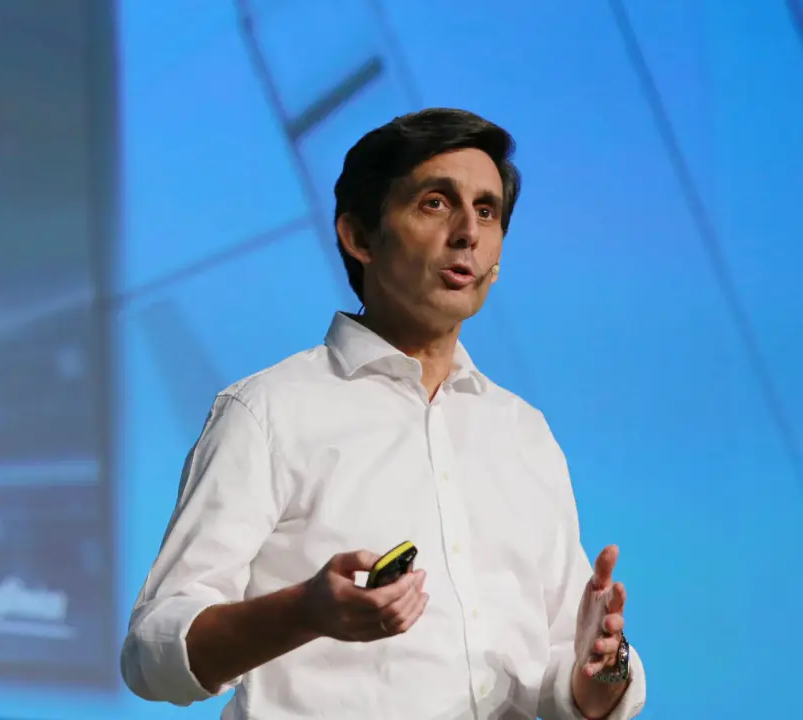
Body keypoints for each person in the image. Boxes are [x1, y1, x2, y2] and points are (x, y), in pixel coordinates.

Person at [119, 108, 648, 719]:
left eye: (486, 211)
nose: (467, 233)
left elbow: (560, 673)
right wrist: (304, 611)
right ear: (360, 238)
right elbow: (152, 655)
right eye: (435, 203)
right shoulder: (268, 411)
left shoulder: (522, 432)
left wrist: (602, 672)